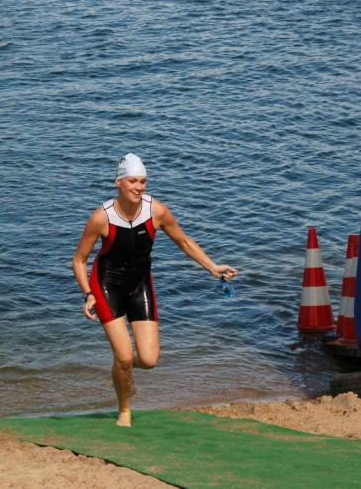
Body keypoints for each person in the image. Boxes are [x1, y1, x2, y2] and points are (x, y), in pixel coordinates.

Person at [72, 153, 238, 427]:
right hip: (106, 286)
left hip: (139, 285)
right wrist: (87, 293)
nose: (139, 187)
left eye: (143, 181)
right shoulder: (102, 218)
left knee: (149, 360)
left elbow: (183, 241)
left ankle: (123, 368)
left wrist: (212, 267)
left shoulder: (156, 211)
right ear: (119, 182)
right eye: (133, 181)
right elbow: (79, 260)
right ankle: (124, 411)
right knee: (124, 356)